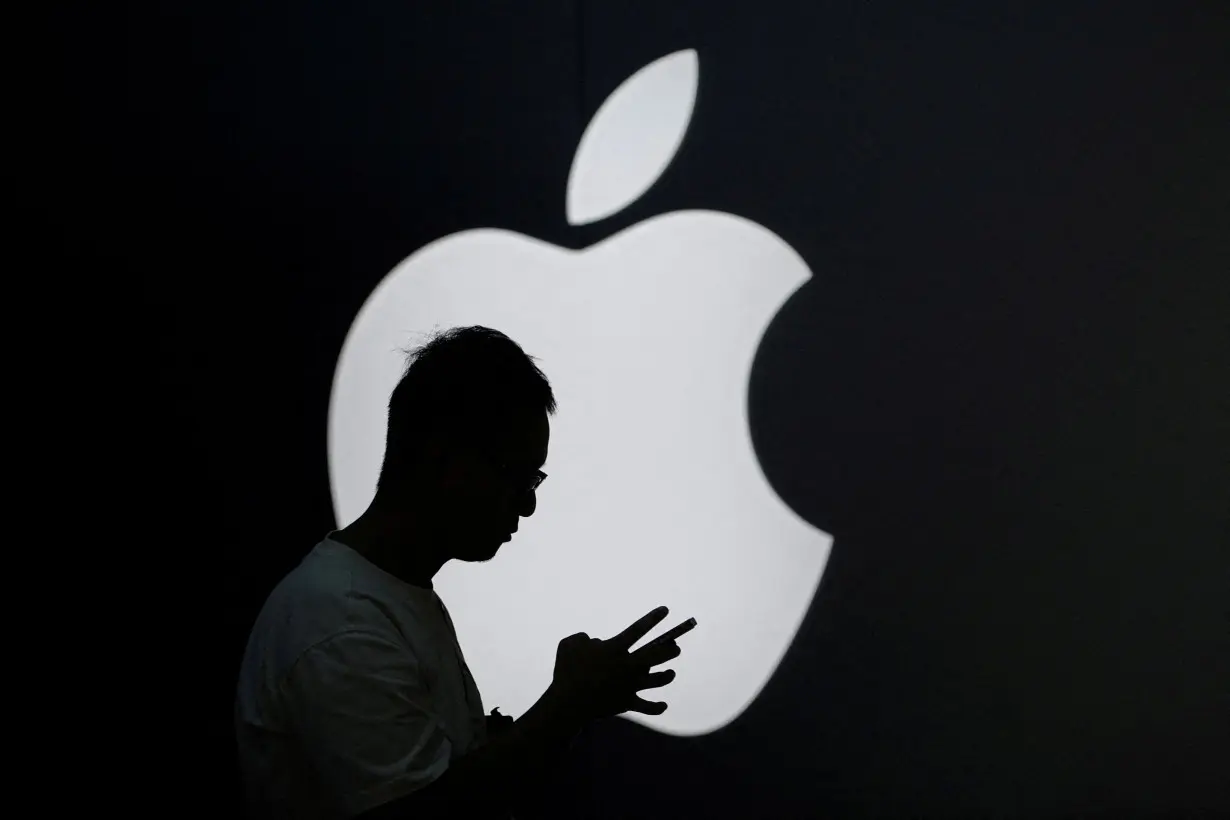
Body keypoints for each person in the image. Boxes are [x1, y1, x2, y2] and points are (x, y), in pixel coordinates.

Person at [234, 325, 685, 820]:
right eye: (519, 476)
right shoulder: (338, 620)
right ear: (444, 460)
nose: (530, 504)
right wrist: (565, 709)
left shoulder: (387, 597)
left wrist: (562, 715)